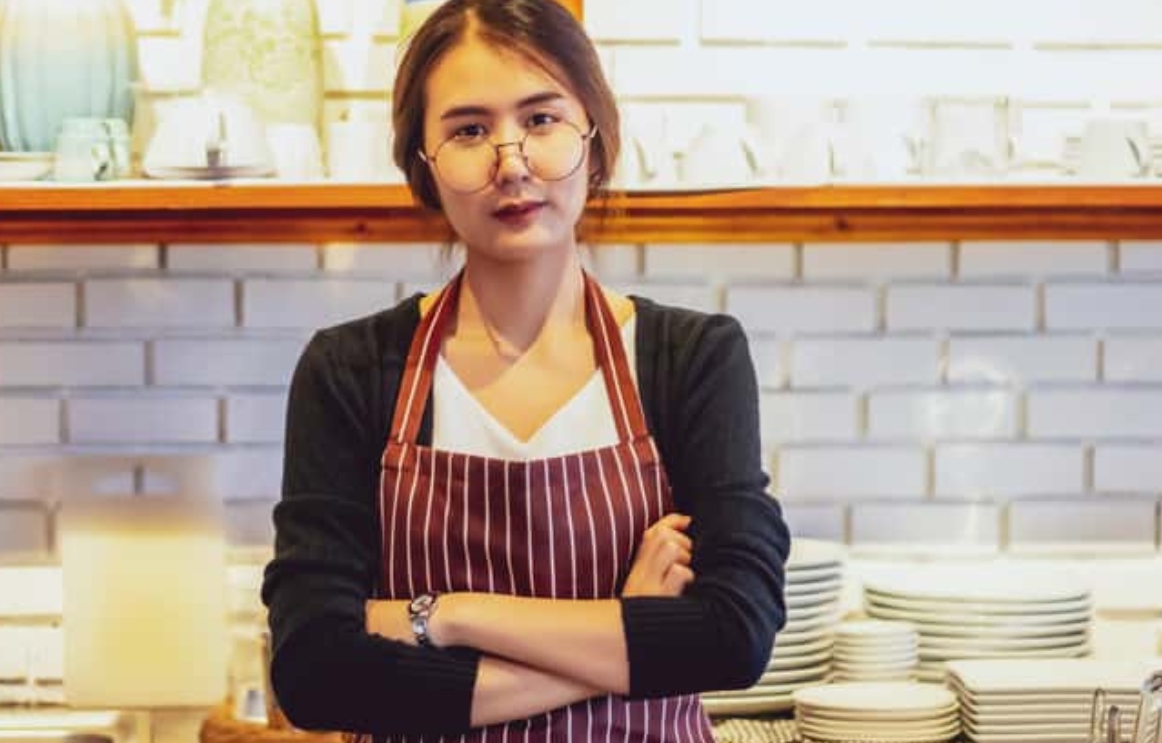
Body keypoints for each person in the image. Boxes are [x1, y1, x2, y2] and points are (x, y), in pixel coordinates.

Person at [260, 0, 790, 739]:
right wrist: (629, 628)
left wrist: (442, 614)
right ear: (424, 163)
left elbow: (733, 635)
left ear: (594, 141)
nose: (510, 160)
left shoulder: (689, 358)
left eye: (540, 119)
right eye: (469, 129)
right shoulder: (351, 370)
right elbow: (315, 673)